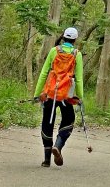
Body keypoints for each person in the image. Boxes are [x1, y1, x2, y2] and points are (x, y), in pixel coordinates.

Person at [36, 26, 84, 167]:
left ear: (63, 37)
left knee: (47, 121)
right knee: (69, 119)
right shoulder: (77, 54)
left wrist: (38, 93)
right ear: (75, 40)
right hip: (66, 94)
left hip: (51, 92)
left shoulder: (54, 51)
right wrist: (79, 97)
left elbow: (44, 73)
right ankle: (58, 145)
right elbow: (79, 78)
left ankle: (46, 159)